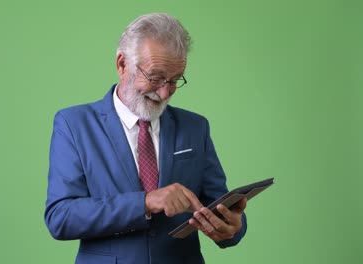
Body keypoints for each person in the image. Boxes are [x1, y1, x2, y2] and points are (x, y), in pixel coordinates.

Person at [44, 13, 248, 264]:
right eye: (155, 77)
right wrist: (146, 202)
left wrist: (232, 227)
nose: (164, 92)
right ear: (122, 64)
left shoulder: (195, 127)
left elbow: (216, 204)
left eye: (174, 80)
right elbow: (61, 217)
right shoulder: (74, 124)